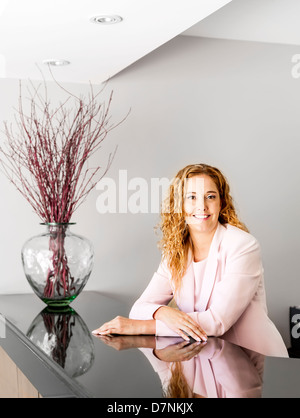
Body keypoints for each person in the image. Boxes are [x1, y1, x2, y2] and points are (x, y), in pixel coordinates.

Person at [92, 163, 288, 357]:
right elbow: (139, 308)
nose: (201, 206)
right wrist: (163, 312)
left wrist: (139, 327)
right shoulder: (175, 251)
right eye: (191, 197)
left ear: (221, 202)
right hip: (206, 357)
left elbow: (217, 322)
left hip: (253, 361)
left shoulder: (243, 245)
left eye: (210, 197)